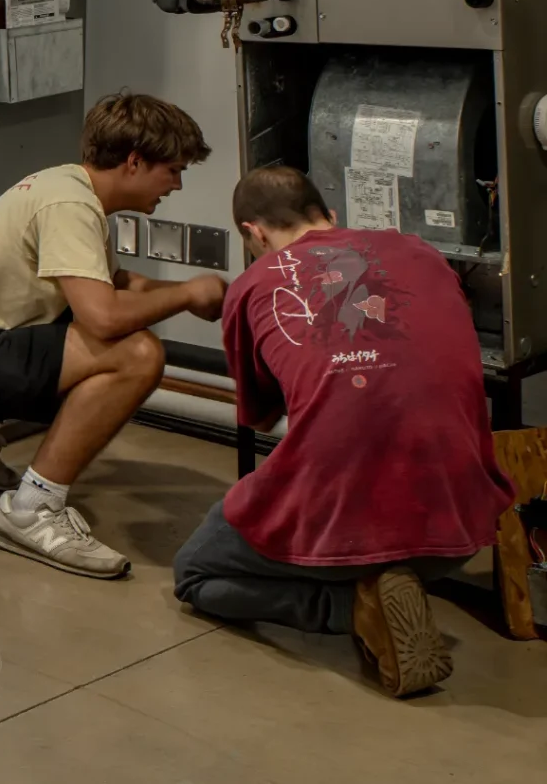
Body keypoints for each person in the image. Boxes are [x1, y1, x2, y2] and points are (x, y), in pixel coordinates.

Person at [171, 165, 512, 697]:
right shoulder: (422, 253)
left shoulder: (255, 284)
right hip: (458, 531)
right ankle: (393, 577)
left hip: (344, 523)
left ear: (254, 233)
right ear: (330, 216)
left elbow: (261, 417)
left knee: (195, 575)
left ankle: (351, 606)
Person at [0, 92, 224, 578]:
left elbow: (120, 286)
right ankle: (32, 511)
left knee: (108, 322)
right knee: (137, 354)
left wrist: (202, 294)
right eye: (173, 170)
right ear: (134, 162)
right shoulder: (70, 204)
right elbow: (104, 318)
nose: (176, 184)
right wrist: (190, 293)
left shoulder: (68, 187)